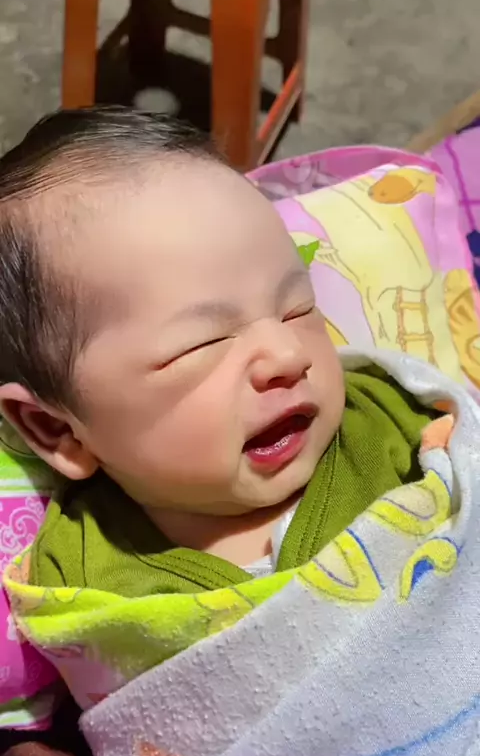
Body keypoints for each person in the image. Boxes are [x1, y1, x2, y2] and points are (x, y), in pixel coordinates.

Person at [0, 106, 437, 592]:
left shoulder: (397, 421)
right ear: (57, 429)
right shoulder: (82, 585)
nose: (288, 355)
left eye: (297, 308)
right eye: (202, 343)